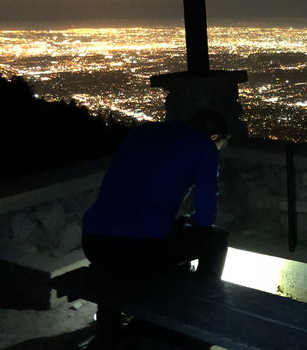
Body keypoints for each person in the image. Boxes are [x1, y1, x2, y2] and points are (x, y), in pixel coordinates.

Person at [82, 110, 230, 281]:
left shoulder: (143, 131)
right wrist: (193, 220)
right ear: (214, 137)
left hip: (94, 242)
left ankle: (107, 307)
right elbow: (206, 215)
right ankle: (202, 300)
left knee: (147, 245)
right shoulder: (204, 144)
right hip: (142, 247)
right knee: (217, 239)